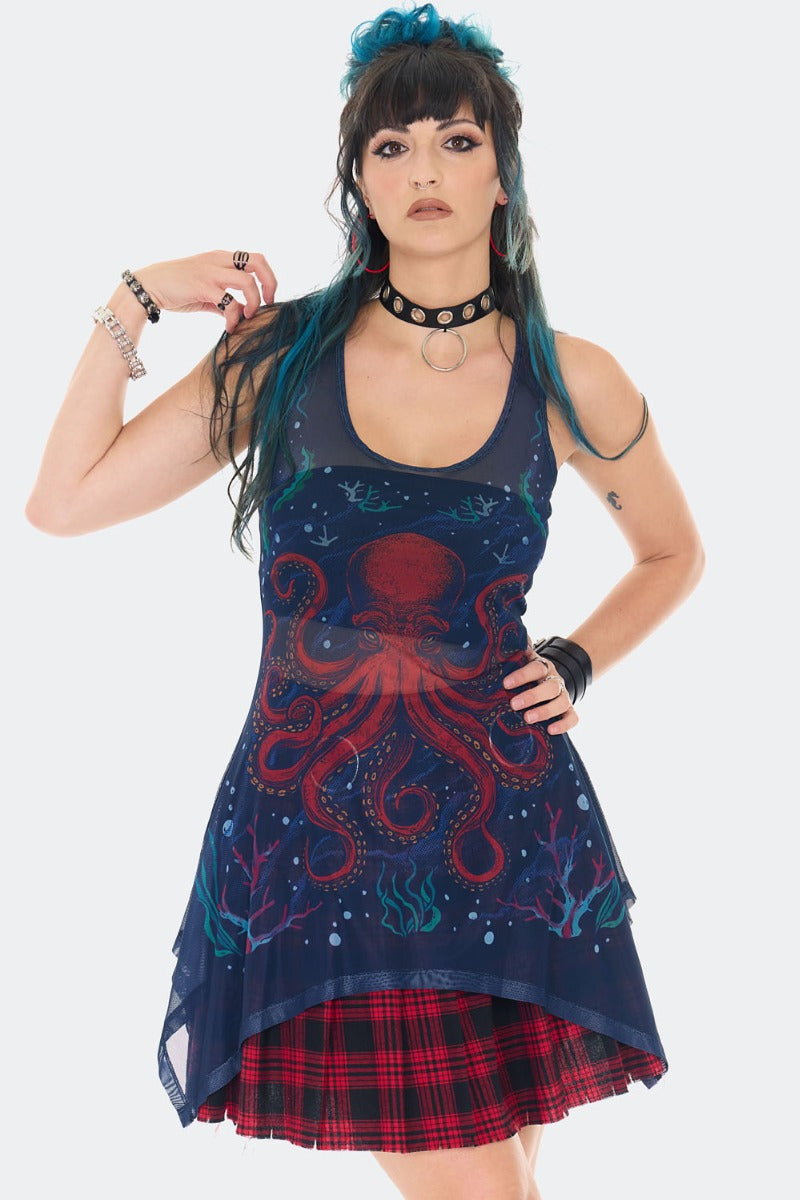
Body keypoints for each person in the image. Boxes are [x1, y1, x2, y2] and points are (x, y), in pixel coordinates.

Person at [25, 4, 704, 1198]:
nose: (423, 169)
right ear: (359, 180)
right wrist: (133, 299)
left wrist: (576, 660)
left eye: (455, 140)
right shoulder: (280, 359)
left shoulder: (571, 376)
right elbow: (64, 501)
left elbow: (670, 553)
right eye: (391, 146)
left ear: (501, 173)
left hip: (510, 837)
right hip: (320, 846)